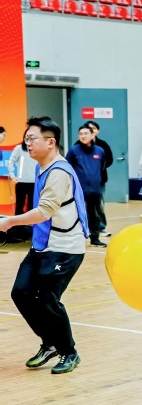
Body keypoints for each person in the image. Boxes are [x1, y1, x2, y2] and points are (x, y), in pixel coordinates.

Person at [0, 117, 89, 374]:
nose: (27, 143)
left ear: (50, 142)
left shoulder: (58, 172)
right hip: (43, 245)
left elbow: (44, 212)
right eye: (26, 138)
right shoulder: (42, 167)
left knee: (48, 299)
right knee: (21, 292)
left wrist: (10, 222)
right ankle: (50, 343)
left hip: (65, 248)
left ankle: (69, 352)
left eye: (32, 138)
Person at [66, 123, 106, 247]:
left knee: (94, 215)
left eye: (86, 133)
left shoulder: (100, 151)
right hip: (78, 190)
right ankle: (74, 239)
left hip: (95, 189)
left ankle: (95, 238)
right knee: (75, 214)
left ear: (92, 135)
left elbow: (102, 168)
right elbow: (67, 167)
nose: (83, 136)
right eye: (81, 134)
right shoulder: (73, 150)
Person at [85, 121, 113, 238]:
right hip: (84, 182)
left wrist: (97, 168)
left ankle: (101, 228)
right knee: (85, 205)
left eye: (94, 128)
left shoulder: (102, 145)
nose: (92, 130)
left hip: (99, 181)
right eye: (89, 128)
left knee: (99, 205)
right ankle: (87, 228)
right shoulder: (78, 146)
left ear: (98, 131)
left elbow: (109, 160)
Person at [8, 141, 36, 215]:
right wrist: (12, 176)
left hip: (34, 182)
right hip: (21, 182)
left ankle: (31, 222)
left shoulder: (37, 149)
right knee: (19, 207)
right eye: (27, 137)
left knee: (32, 206)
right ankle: (18, 222)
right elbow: (11, 162)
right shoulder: (19, 148)